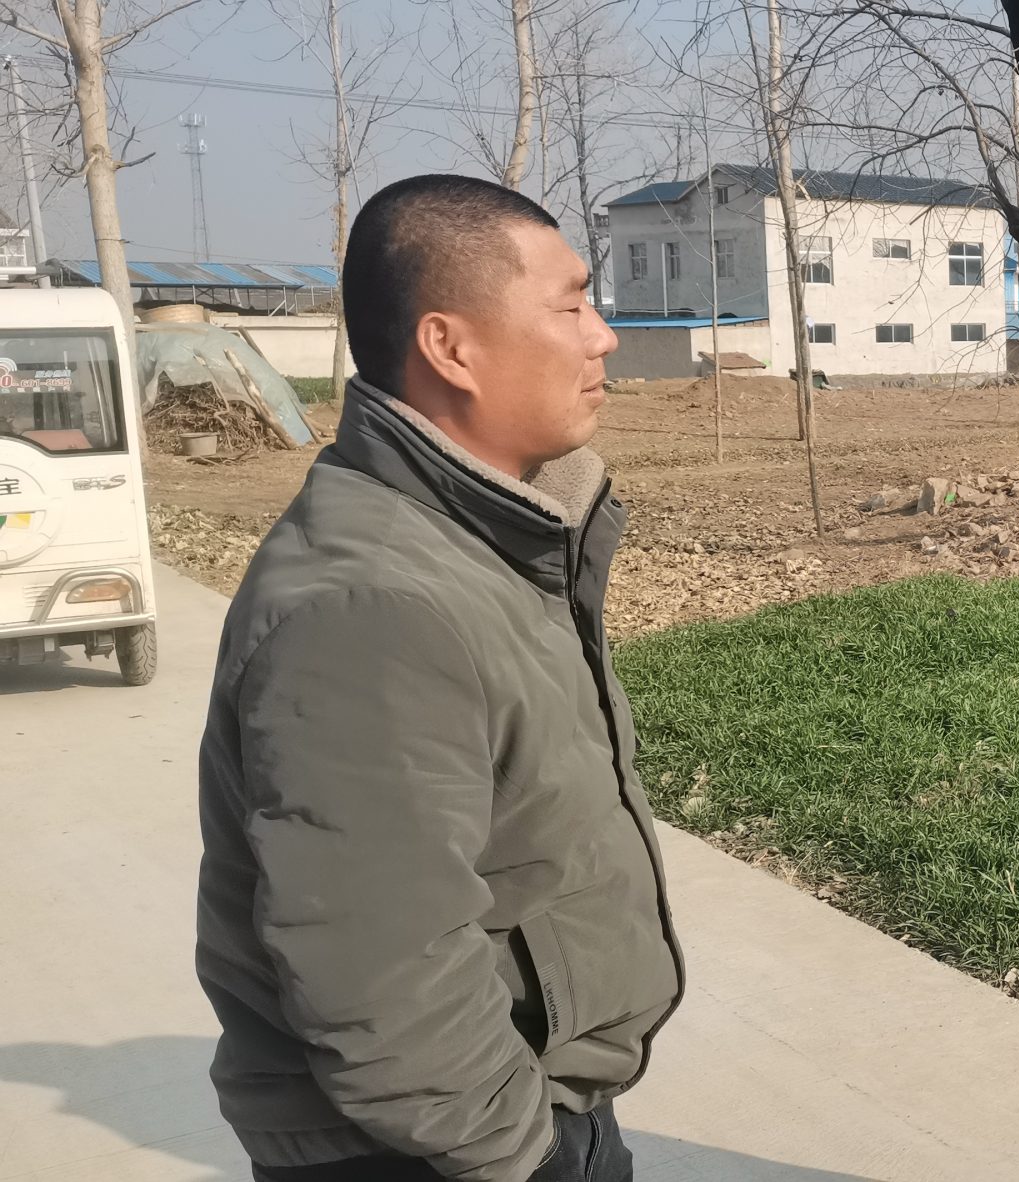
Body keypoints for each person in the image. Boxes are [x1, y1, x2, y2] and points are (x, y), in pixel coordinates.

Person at [194, 174, 682, 1182]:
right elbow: (381, 971)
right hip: (440, 1151)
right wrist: (524, 1153)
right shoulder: (372, 604)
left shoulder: (480, 539)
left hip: (515, 1109)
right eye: (571, 306)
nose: (603, 338)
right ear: (450, 348)